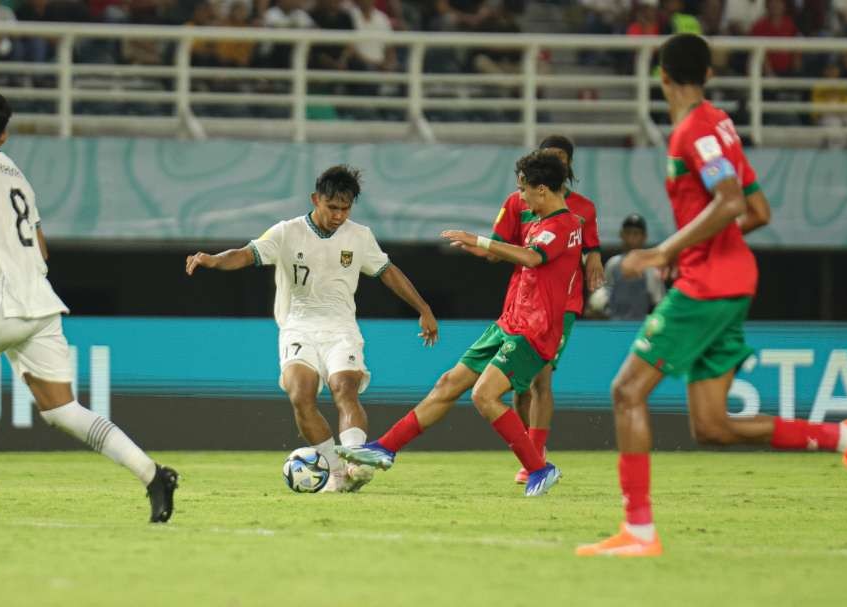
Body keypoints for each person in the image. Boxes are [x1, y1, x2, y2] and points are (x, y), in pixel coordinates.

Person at [576, 34, 847, 558]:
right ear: (709, 75)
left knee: (626, 393)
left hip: (707, 285)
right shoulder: (722, 127)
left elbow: (731, 200)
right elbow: (757, 212)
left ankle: (639, 531)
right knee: (712, 427)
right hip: (731, 280)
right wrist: (705, 248)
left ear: (662, 77)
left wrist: (664, 251)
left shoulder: (692, 130)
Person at [0, 88, 178, 522]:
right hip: (39, 304)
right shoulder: (19, 179)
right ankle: (153, 474)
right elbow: (41, 250)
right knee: (64, 411)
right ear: (6, 134)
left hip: (6, 304)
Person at [337, 152, 583, 497]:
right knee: (448, 383)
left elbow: (530, 257)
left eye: (523, 190)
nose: (521, 198)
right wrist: (482, 247)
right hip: (509, 323)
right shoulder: (543, 221)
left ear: (542, 189)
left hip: (534, 331)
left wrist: (479, 240)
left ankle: (540, 468)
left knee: (485, 396)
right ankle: (385, 448)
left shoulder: (565, 225)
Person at [185, 166, 438, 493]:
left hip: (341, 329)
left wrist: (424, 308)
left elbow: (389, 272)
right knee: (300, 396)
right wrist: (214, 260)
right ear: (315, 199)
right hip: (297, 328)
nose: (338, 215)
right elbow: (246, 254)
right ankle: (338, 473)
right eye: (332, 207)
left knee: (343, 389)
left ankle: (356, 461)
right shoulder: (286, 232)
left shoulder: (359, 236)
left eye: (345, 209)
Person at [491, 136, 603, 485]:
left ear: (569, 165)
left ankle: (536, 457)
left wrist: (594, 262)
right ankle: (529, 452)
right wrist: (486, 247)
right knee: (518, 388)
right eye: (549, 157)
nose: (557, 163)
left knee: (541, 379)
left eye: (562, 158)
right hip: (522, 301)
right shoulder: (517, 201)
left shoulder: (583, 209)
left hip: (561, 305)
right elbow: (499, 244)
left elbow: (592, 249)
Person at [600, 214, 665, 321]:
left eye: (636, 234)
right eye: (628, 233)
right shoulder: (613, 264)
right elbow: (603, 296)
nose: (631, 237)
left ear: (644, 237)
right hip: (613, 327)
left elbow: (659, 304)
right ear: (622, 235)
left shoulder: (651, 268)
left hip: (639, 327)